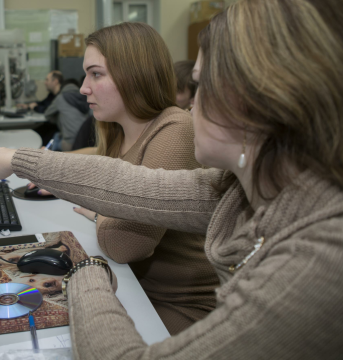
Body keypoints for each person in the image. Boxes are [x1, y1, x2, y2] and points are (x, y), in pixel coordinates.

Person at [0, 0, 343, 359]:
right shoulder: (244, 188)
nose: (190, 107)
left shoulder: (320, 261)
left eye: (201, 88)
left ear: (255, 103)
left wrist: (85, 273)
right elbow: (133, 184)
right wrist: (20, 160)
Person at [47, 22, 219, 334]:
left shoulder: (175, 129)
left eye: (96, 74)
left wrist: (100, 210)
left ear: (133, 75)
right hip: (134, 286)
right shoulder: (118, 129)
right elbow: (96, 160)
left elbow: (124, 244)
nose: (84, 87)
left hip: (180, 304)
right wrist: (43, 166)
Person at [44, 78, 90, 151]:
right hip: (86, 141)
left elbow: (47, 115)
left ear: (63, 87)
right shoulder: (86, 98)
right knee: (57, 135)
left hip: (70, 143)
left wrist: (58, 118)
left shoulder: (61, 97)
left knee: (54, 139)